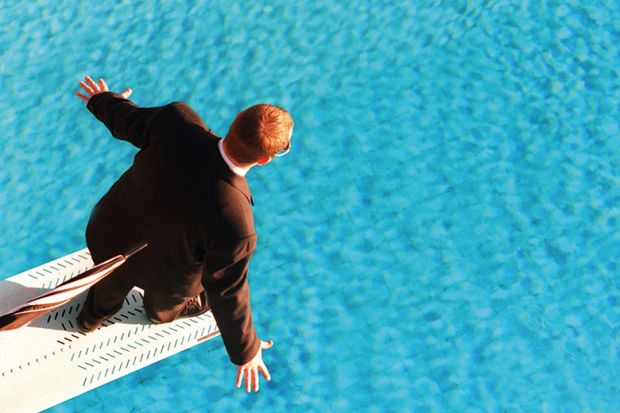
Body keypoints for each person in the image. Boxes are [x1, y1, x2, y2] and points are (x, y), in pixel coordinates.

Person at [74, 76, 293, 393]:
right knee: (169, 306)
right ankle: (159, 314)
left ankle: (90, 317)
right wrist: (247, 351)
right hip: (166, 278)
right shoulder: (236, 221)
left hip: (108, 234)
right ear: (265, 159)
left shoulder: (178, 121)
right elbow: (227, 290)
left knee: (110, 281)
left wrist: (103, 100)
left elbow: (127, 121)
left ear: (234, 122)